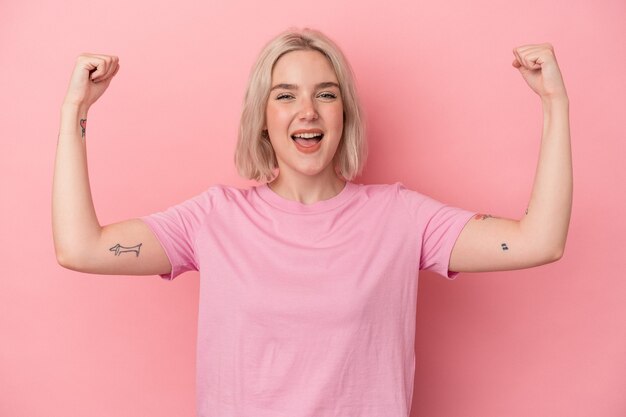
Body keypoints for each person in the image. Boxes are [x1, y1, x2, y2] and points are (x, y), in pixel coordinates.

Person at [52, 27, 572, 417]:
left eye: (326, 93)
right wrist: (77, 108)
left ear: (344, 113)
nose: (308, 111)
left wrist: (554, 103)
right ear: (262, 117)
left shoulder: (401, 217)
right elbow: (82, 248)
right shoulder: (212, 219)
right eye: (285, 95)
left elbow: (538, 241)